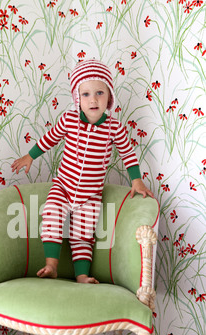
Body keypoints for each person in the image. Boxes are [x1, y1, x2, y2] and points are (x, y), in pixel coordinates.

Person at [12, 59, 153, 284]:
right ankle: (51, 265)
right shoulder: (69, 120)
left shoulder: (113, 128)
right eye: (86, 94)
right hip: (63, 186)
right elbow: (50, 138)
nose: (93, 99)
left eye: (99, 92)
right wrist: (30, 156)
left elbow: (128, 154)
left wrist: (136, 181)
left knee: (82, 236)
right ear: (78, 98)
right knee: (51, 214)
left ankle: (82, 276)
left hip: (90, 195)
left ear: (109, 97)